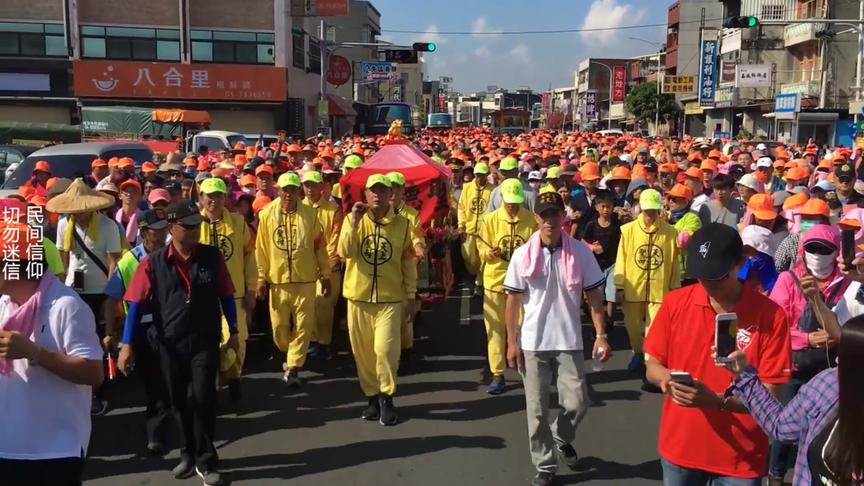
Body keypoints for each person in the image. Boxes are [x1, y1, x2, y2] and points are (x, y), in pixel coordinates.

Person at [644, 223, 791, 486]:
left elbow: (771, 398)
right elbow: (653, 364)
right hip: (680, 450)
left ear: (741, 262)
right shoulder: (675, 303)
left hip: (741, 460)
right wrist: (666, 380)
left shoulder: (772, 316)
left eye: (718, 276)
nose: (709, 285)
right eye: (703, 277)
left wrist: (715, 401)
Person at [118, 200, 238, 486]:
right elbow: (134, 305)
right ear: (172, 227)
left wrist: (232, 329)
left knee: (203, 398)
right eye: (188, 226)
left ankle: (207, 459)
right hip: (169, 343)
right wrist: (126, 344)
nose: (195, 231)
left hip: (204, 340)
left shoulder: (212, 257)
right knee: (178, 401)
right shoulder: (153, 263)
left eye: (197, 226)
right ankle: (187, 453)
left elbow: (226, 294)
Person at [503, 191, 610, 486]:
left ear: (563, 217)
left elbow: (594, 296)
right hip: (533, 343)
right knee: (536, 410)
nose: (550, 220)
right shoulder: (522, 254)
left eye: (555, 214)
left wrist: (600, 335)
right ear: (536, 218)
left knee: (578, 403)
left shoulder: (580, 252)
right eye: (544, 215)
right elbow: (512, 301)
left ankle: (561, 434)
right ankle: (545, 465)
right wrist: (511, 342)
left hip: (568, 340)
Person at [0, 221, 104, 486]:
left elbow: (94, 373)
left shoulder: (66, 306)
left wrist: (36, 353)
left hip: (55, 451)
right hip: (7, 447)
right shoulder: (4, 305)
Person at [721, 316, 864, 486]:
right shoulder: (826, 385)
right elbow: (780, 426)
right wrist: (743, 374)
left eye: (843, 353)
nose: (836, 360)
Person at [766, 223, 849, 485]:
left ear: (836, 252)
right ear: (802, 250)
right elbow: (774, 326)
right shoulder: (787, 280)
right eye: (812, 248)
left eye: (825, 249)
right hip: (796, 368)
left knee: (824, 431)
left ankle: (815, 474)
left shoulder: (848, 283)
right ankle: (776, 474)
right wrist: (807, 338)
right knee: (785, 429)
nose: (818, 254)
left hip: (832, 373)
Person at [337, 174, 418, 426]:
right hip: (358, 297)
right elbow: (345, 252)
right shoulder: (353, 220)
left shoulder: (403, 225)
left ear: (390, 195)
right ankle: (371, 396)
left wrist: (412, 295)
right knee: (363, 354)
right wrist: (353, 222)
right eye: (372, 191)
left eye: (382, 191)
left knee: (385, 351)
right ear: (366, 194)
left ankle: (386, 396)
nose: (377, 195)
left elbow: (408, 263)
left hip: (389, 298)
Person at [47, 178, 121, 416]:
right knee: (74, 342)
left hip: (101, 292)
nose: (77, 214)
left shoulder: (108, 226)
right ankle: (79, 391)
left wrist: (112, 294)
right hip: (74, 290)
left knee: (101, 341)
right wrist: (62, 289)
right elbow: (63, 257)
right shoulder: (63, 225)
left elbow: (113, 261)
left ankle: (99, 392)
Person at [102, 209, 170, 455]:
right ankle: (156, 432)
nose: (162, 233)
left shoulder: (172, 254)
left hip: (172, 325)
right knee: (155, 383)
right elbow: (111, 299)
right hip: (143, 330)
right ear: (143, 232)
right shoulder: (130, 261)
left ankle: (161, 424)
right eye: (156, 229)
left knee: (170, 380)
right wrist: (111, 332)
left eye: (164, 227)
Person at [255, 173, 329, 386]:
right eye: (285, 189)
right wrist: (261, 278)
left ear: (299, 191)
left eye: (293, 190)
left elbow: (319, 247)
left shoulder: (310, 215)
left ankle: (294, 366)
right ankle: (289, 354)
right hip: (278, 282)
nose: (289, 194)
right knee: (279, 329)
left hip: (305, 280)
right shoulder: (267, 215)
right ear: (278, 191)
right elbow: (261, 250)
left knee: (304, 326)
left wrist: (324, 274)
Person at [198, 178, 257, 404]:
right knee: (208, 343)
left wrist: (252, 288)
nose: (214, 200)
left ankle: (233, 377)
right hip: (203, 298)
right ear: (201, 197)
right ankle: (211, 385)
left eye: (219, 195)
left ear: (226, 198)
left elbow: (250, 258)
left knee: (237, 340)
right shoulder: (194, 223)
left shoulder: (238, 223)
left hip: (234, 296)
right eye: (209, 195)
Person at [477, 178, 537, 395]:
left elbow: (535, 250)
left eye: (515, 202)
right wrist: (489, 254)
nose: (512, 206)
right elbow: (481, 249)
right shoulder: (491, 220)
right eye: (509, 201)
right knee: (495, 331)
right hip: (495, 281)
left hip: (522, 285)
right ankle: (497, 373)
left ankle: (525, 367)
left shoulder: (531, 220)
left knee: (522, 327)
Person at [614, 188, 681, 376]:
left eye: (654, 210)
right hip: (633, 287)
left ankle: (649, 361)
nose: (650, 214)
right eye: (647, 210)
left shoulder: (670, 232)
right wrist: (619, 285)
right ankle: (637, 351)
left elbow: (674, 263)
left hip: (659, 288)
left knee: (654, 327)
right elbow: (621, 258)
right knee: (633, 325)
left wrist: (675, 288)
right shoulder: (628, 231)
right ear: (640, 208)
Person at [300, 170, 343, 361]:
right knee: (308, 306)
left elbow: (336, 236)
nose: (310, 189)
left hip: (328, 266)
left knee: (323, 304)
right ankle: (312, 341)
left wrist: (331, 261)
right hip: (305, 267)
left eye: (313, 185)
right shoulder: (298, 208)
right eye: (306, 185)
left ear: (322, 186)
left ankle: (324, 343)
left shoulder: (333, 210)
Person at [387, 171, 426, 367]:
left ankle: (406, 348)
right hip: (385, 267)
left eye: (397, 187)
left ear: (403, 190)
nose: (393, 191)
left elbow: (417, 234)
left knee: (404, 311)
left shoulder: (411, 213)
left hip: (405, 265)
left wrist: (418, 246)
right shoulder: (377, 212)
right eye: (390, 186)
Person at [580, 189, 621, 324]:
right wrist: (592, 248)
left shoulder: (617, 224)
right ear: (596, 207)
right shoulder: (592, 225)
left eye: (608, 206)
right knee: (597, 295)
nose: (606, 210)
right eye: (602, 206)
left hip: (613, 264)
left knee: (612, 293)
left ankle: (609, 320)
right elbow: (583, 241)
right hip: (596, 265)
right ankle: (598, 322)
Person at [457, 162, 493, 291]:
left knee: (484, 257)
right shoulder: (467, 188)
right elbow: (461, 207)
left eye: (482, 175)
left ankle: (480, 283)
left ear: (487, 175)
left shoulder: (492, 190)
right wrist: (461, 225)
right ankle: (475, 275)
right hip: (469, 230)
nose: (479, 178)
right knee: (469, 257)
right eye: (477, 175)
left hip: (485, 231)